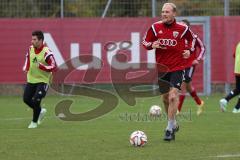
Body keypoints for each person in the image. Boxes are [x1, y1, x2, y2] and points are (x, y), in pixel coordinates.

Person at [142, 3, 195, 141]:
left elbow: (192, 39)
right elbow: (145, 42)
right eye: (162, 12)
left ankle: (169, 128)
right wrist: (151, 45)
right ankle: (173, 122)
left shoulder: (183, 29)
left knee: (173, 96)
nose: (164, 14)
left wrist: (189, 50)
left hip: (178, 67)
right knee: (165, 98)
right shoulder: (155, 27)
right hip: (162, 69)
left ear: (174, 14)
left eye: (167, 12)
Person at [23, 30, 57, 128]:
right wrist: (26, 68)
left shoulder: (47, 52)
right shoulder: (30, 49)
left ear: (40, 40)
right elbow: (28, 59)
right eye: (32, 39)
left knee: (37, 99)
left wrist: (42, 66)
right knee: (26, 99)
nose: (32, 41)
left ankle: (34, 122)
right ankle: (40, 111)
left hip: (43, 81)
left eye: (34, 39)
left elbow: (54, 67)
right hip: (31, 79)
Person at [177, 19, 205, 116]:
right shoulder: (178, 38)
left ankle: (177, 110)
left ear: (188, 28)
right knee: (188, 87)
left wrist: (198, 58)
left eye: (183, 26)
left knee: (182, 86)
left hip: (190, 65)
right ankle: (199, 103)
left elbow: (202, 47)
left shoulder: (194, 37)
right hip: (180, 65)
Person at [219, 42, 240, 113]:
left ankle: (235, 107)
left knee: (238, 89)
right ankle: (235, 107)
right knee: (238, 89)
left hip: (237, 69)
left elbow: (234, 55)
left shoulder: (238, 44)